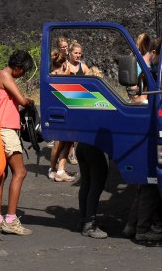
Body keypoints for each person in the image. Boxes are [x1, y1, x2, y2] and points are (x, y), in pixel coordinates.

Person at [0, 50, 35, 235]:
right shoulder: (6, 76)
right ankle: (11, 220)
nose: (23, 74)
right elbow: (22, 100)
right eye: (23, 71)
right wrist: (30, 102)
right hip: (6, 130)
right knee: (20, 172)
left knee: (1, 176)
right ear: (17, 67)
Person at [123, 33, 162, 242]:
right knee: (150, 182)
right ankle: (144, 228)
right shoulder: (146, 69)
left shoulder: (143, 66)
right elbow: (137, 96)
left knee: (144, 185)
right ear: (155, 53)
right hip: (145, 127)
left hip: (143, 126)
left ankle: (132, 225)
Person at [47, 50, 76, 182]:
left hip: (57, 112)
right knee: (63, 143)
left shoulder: (50, 75)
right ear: (63, 64)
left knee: (61, 143)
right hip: (62, 112)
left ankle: (55, 169)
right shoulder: (60, 77)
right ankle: (58, 170)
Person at [75, 141, 109, 238]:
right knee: (96, 185)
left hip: (82, 144)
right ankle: (89, 225)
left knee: (86, 183)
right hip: (96, 146)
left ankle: (84, 220)